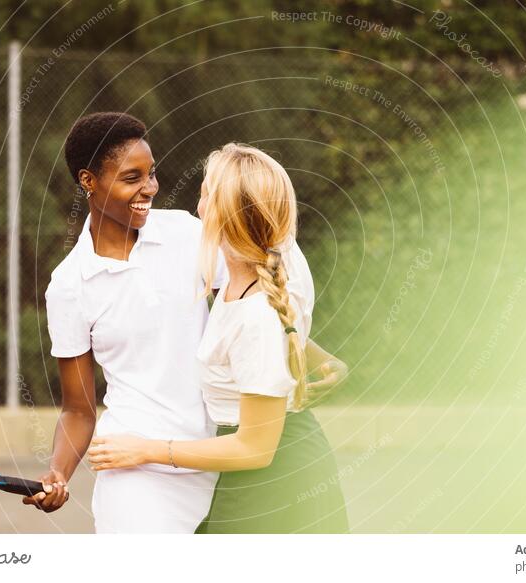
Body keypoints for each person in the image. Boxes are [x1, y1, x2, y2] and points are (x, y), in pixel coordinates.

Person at [24, 113, 346, 533]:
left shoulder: (187, 233)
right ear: (89, 181)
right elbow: (79, 409)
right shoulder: (69, 286)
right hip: (138, 470)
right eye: (131, 177)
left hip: (221, 457)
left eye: (152, 174)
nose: (149, 188)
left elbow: (259, 308)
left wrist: (310, 354)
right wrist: (58, 472)